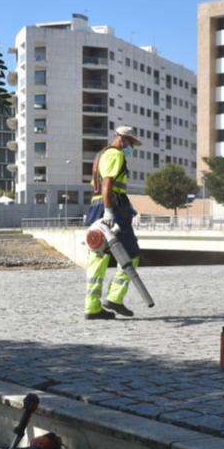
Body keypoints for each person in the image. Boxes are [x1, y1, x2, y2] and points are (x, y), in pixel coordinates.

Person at [83, 125, 143, 320]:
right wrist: (109, 210)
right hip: (112, 208)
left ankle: (92, 307)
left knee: (98, 255)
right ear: (122, 139)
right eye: (130, 143)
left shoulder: (101, 154)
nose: (131, 147)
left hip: (96, 206)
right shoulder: (116, 155)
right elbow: (108, 183)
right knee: (131, 253)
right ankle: (115, 298)